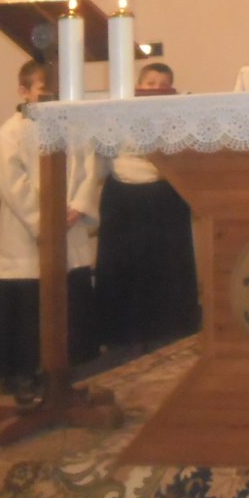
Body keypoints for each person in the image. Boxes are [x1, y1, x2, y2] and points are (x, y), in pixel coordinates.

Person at [0, 59, 102, 397]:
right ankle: (24, 373)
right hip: (27, 234)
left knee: (68, 301)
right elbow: (12, 183)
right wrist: (45, 219)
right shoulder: (10, 132)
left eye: (56, 92)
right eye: (44, 91)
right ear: (23, 91)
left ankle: (64, 370)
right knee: (27, 306)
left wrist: (79, 205)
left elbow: (89, 167)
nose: (51, 98)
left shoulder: (74, 127)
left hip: (69, 229)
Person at [93, 62, 201, 351]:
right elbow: (103, 154)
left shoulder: (176, 117)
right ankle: (122, 332)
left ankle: (169, 328)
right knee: (125, 263)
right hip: (123, 196)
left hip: (163, 195)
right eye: (150, 83)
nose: (156, 89)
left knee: (164, 265)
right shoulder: (117, 114)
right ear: (138, 85)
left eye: (163, 84)